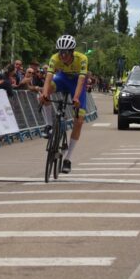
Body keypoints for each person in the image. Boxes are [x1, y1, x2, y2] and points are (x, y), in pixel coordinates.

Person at [40, 34, 88, 174]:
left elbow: (81, 81)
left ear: (72, 51)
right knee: (43, 94)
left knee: (79, 120)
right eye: (60, 51)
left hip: (76, 83)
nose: (62, 55)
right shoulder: (55, 58)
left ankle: (68, 158)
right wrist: (44, 93)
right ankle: (49, 125)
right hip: (62, 78)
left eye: (65, 52)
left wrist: (76, 98)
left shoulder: (82, 59)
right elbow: (49, 77)